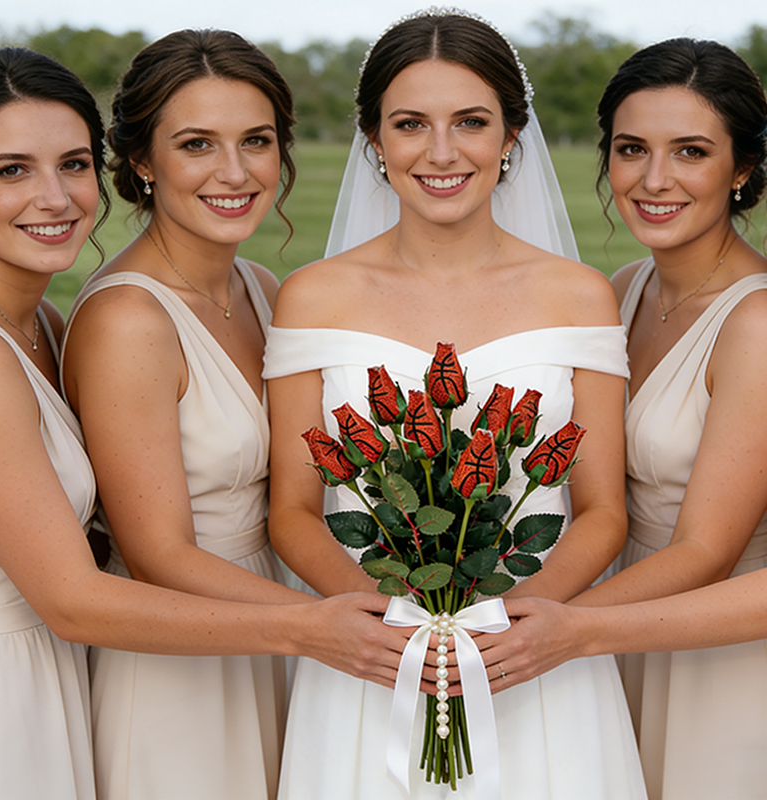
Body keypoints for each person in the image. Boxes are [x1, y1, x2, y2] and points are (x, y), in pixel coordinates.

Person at [0, 46, 408, 800]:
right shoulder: (75, 331)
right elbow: (93, 584)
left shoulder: (51, 322)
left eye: (73, 164)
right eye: (12, 170)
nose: (55, 196)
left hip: (239, 633)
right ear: (141, 161)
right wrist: (319, 625)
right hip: (58, 682)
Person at [264, 11, 646, 799]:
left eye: (470, 122)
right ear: (374, 139)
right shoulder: (311, 297)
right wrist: (401, 626)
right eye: (411, 124)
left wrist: (498, 630)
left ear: (511, 136)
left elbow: (604, 509)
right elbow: (294, 510)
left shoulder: (580, 297)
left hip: (535, 656)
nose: (441, 153)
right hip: (372, 658)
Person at [480, 38, 767, 800]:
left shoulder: (756, 323)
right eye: (632, 148)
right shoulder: (623, 290)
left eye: (691, 152)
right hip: (607, 632)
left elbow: (706, 550)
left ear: (742, 168)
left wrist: (533, 623)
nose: (654, 179)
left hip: (714, 664)